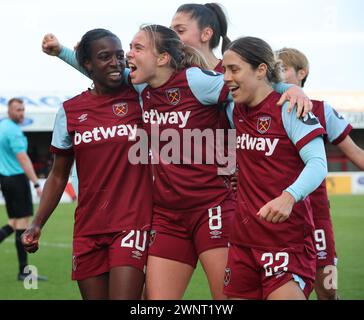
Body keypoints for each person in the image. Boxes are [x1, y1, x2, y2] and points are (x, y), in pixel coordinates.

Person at [41, 27, 313, 300]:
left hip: (212, 209)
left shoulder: (195, 80)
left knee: (229, 298)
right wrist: (62, 52)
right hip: (167, 216)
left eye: (136, 48)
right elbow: (100, 70)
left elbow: (249, 85)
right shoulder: (140, 85)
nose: (127, 56)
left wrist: (289, 88)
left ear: (161, 59)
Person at [21, 28, 153, 300]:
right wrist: (37, 223)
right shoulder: (70, 111)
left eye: (119, 56)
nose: (116, 63)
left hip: (132, 223)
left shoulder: (141, 97)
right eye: (105, 57)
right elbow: (58, 175)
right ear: (87, 64)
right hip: (88, 227)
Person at [222, 36, 327, 299]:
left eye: (234, 69)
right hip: (242, 242)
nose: (226, 77)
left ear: (260, 70)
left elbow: (318, 163)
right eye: (224, 69)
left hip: (287, 243)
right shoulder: (235, 108)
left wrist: (289, 196)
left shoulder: (291, 108)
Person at [276, 47, 364, 299]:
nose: (276, 72)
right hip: (271, 213)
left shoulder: (321, 110)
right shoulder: (256, 108)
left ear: (302, 73)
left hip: (314, 214)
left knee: (327, 289)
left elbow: (356, 154)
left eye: (283, 67)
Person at [0, 98, 47, 281]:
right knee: (22, 225)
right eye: (18, 110)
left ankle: (23, 271)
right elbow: (23, 159)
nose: (22, 113)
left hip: (5, 180)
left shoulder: (3, 126)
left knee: (13, 222)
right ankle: (24, 272)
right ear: (9, 111)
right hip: (17, 180)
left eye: (23, 109)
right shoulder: (13, 132)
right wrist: (36, 183)